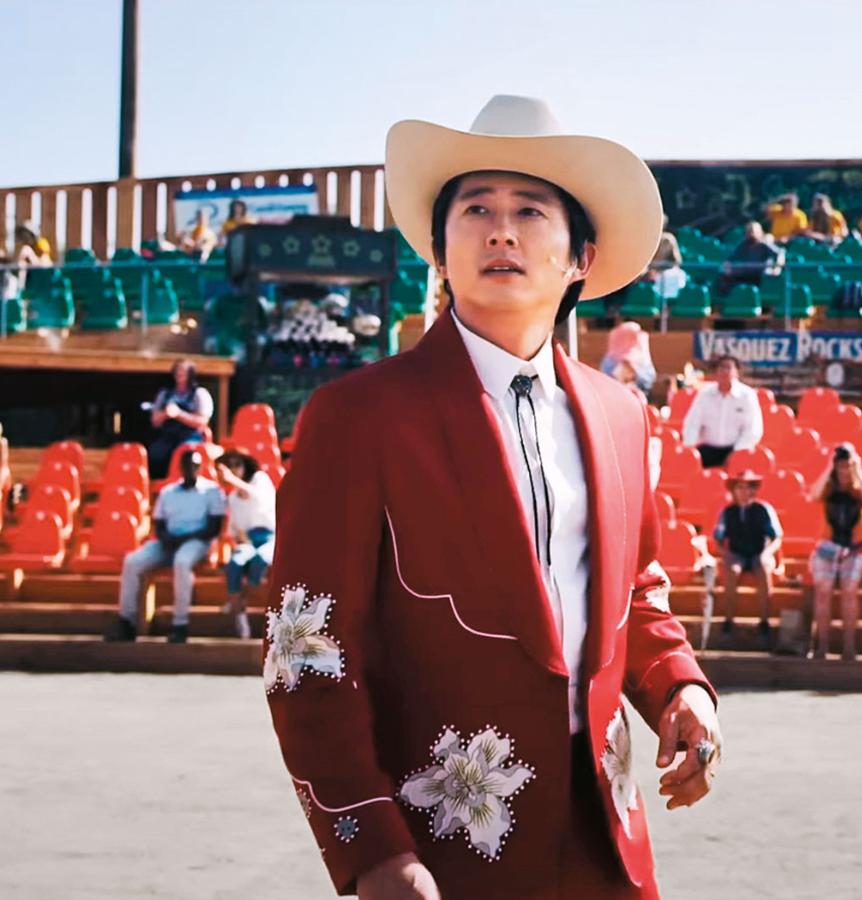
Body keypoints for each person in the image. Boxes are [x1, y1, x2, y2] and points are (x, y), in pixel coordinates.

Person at [264, 95, 720, 899]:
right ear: (440, 251)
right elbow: (304, 651)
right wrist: (371, 848)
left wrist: (679, 685)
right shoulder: (357, 417)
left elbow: (634, 590)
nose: (501, 231)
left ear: (581, 256)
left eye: (530, 211)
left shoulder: (622, 415)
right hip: (443, 850)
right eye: (476, 209)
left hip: (609, 847)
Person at [105, 448, 226, 645]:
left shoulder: (212, 491)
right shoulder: (168, 492)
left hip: (197, 541)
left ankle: (180, 624)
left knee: (182, 562)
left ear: (200, 467)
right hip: (168, 541)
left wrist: (184, 538)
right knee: (132, 561)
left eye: (195, 465)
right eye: (187, 465)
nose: (191, 469)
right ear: (181, 468)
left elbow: (214, 528)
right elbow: (159, 524)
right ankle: (126, 621)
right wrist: (166, 538)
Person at [806, 443, 862, 661]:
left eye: (847, 466)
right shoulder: (828, 488)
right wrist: (829, 467)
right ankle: (822, 645)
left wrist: (858, 470)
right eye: (841, 466)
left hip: (854, 549)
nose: (844, 471)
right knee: (823, 590)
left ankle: (849, 646)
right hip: (828, 546)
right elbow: (814, 494)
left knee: (849, 589)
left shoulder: (860, 487)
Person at [712, 469, 782, 643]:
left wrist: (767, 553)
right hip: (737, 553)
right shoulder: (727, 512)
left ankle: (764, 621)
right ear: (734, 490)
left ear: (753, 490)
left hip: (759, 552)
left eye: (748, 487)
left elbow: (776, 537)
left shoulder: (763, 509)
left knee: (763, 568)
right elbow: (718, 538)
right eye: (740, 487)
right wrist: (726, 554)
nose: (744, 492)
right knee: (731, 570)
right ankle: (728, 620)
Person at [216, 446, 276, 640]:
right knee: (235, 563)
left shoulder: (260, 479)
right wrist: (240, 537)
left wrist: (231, 479)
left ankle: (240, 599)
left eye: (237, 464)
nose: (234, 469)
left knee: (260, 560)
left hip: (270, 538)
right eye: (229, 466)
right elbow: (234, 529)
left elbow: (256, 496)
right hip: (248, 540)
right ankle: (239, 614)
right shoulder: (232, 498)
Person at [681, 355, 764, 468]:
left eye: (728, 367)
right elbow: (692, 424)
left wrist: (737, 452)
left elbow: (753, 429)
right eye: (721, 367)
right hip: (708, 450)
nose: (724, 371)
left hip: (737, 450)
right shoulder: (704, 394)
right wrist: (690, 448)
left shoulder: (747, 396)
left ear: (737, 372)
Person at [147, 359, 215, 479]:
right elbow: (155, 421)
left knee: (184, 454)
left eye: (183, 370)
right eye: (177, 370)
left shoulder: (199, 394)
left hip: (191, 436)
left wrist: (179, 414)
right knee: (155, 453)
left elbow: (202, 421)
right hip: (168, 436)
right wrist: (165, 414)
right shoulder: (165, 394)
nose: (179, 373)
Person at [715, 221, 782, 298]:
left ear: (759, 232)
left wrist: (777, 268)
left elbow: (780, 253)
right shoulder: (743, 245)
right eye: (749, 231)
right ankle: (726, 300)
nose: (751, 234)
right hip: (745, 273)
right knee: (724, 276)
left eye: (753, 231)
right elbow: (731, 259)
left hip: (759, 275)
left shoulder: (765, 245)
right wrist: (727, 265)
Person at [600, 320, 656, 395]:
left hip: (638, 396)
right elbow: (605, 380)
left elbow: (649, 380)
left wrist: (635, 371)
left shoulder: (643, 358)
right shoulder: (610, 360)